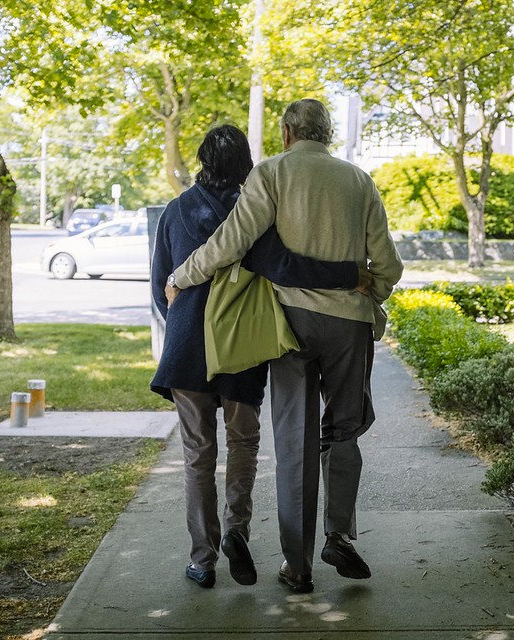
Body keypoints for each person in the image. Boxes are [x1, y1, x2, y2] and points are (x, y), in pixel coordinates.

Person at [166, 100, 404, 593]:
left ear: (286, 131)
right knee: (345, 430)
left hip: (291, 324)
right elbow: (388, 264)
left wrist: (181, 274)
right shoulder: (359, 180)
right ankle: (339, 533)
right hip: (349, 324)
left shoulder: (272, 173)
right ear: (328, 133)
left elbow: (232, 240)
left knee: (294, 442)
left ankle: (297, 568)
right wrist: (371, 299)